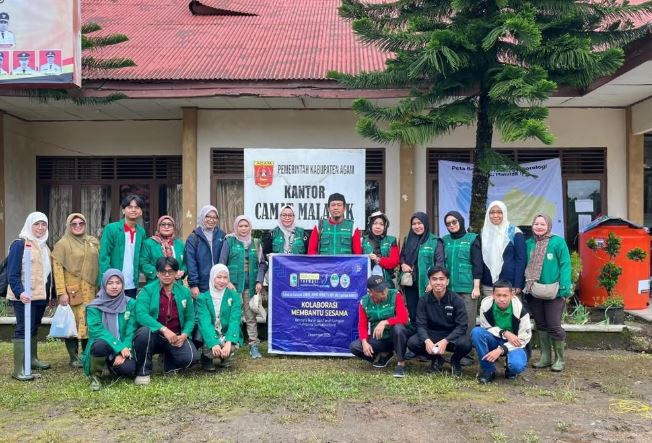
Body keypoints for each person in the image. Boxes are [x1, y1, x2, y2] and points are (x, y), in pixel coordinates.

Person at [133, 257, 199, 385]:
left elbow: (190, 318)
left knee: (191, 358)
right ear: (158, 273)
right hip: (155, 335)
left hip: (175, 336)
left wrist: (184, 334)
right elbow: (141, 315)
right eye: (163, 271)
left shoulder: (184, 292)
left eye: (171, 271)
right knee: (143, 333)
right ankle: (143, 371)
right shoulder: (147, 290)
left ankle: (167, 364)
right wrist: (163, 329)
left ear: (176, 273)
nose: (167, 275)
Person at [6, 212, 53, 380]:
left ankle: (31, 359)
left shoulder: (44, 247)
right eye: (36, 224)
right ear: (29, 225)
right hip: (24, 296)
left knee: (33, 326)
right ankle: (18, 369)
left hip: (40, 296)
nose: (40, 228)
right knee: (23, 328)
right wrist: (20, 292)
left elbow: (47, 274)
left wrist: (51, 295)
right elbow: (12, 274)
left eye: (44, 224)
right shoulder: (19, 244)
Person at [524, 213, 571, 372]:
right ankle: (545, 357)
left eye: (542, 224)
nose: (539, 227)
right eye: (536, 224)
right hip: (533, 290)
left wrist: (564, 288)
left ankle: (559, 359)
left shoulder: (558, 242)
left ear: (549, 226)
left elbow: (565, 264)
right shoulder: (529, 243)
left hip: (554, 292)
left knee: (554, 325)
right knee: (541, 325)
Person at [52, 213, 100, 368]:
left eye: (81, 223)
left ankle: (87, 354)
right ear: (69, 226)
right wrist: (61, 292)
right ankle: (73, 357)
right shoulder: (62, 244)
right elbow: (57, 270)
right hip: (72, 291)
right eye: (74, 224)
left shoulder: (92, 241)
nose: (78, 226)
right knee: (72, 322)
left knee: (88, 321)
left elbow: (99, 264)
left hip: (91, 289)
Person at [406, 266, 470, 376]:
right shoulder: (424, 300)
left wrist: (445, 341)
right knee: (413, 343)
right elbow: (420, 325)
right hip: (432, 334)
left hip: (451, 335)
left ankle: (455, 361)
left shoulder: (456, 300)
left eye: (441, 279)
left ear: (447, 281)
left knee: (466, 343)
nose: (438, 282)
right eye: (434, 279)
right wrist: (427, 340)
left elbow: (462, 326)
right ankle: (436, 359)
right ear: (430, 281)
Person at [219, 215, 267, 359]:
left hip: (250, 286)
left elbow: (262, 264)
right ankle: (228, 344)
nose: (243, 228)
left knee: (251, 317)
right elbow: (221, 264)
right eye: (240, 226)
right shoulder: (229, 242)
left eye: (246, 226)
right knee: (231, 316)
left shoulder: (256, 243)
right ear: (236, 227)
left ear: (250, 227)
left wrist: (259, 281)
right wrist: (227, 282)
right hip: (232, 287)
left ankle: (254, 345)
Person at [84, 269, 137, 391]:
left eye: (118, 283)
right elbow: (97, 331)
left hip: (123, 346)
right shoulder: (94, 307)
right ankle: (95, 376)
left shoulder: (131, 304)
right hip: (104, 346)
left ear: (123, 284)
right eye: (110, 283)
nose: (114, 286)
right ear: (104, 284)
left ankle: (112, 367)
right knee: (99, 344)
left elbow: (131, 330)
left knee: (128, 370)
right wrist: (119, 347)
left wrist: (125, 349)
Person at [471, 279, 532, 384]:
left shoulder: (521, 310)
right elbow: (486, 327)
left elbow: (524, 339)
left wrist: (502, 349)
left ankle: (510, 368)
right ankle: (488, 369)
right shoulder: (486, 305)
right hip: (494, 339)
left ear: (512, 295)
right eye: (498, 295)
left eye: (505, 295)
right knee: (477, 332)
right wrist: (504, 333)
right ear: (493, 294)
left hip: (516, 344)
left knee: (516, 366)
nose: (501, 299)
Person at [442, 211, 482, 365]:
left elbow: (477, 264)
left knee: (467, 321)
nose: (451, 225)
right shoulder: (444, 240)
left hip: (467, 288)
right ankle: (454, 351)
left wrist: (476, 286)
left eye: (454, 222)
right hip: (449, 288)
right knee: (451, 320)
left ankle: (468, 354)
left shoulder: (472, 238)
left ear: (461, 221)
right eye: (448, 223)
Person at [349, 275, 409, 378]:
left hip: (396, 337)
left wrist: (385, 322)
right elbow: (362, 325)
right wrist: (364, 342)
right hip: (379, 339)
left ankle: (401, 363)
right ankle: (383, 355)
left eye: (385, 288)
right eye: (379, 291)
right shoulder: (364, 302)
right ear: (370, 292)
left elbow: (404, 318)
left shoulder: (395, 295)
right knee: (355, 347)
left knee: (398, 328)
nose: (384, 292)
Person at [195, 264, 243, 371]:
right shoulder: (203, 298)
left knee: (232, 345)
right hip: (211, 332)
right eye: (219, 277)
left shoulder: (234, 296)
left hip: (225, 332)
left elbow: (235, 320)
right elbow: (205, 322)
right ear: (212, 278)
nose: (222, 281)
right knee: (208, 343)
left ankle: (225, 356)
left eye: (225, 277)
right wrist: (213, 343)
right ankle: (206, 358)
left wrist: (229, 341)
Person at [399, 212, 445, 323]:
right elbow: (402, 256)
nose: (417, 226)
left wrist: (433, 282)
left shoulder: (435, 241)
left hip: (427, 284)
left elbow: (439, 263)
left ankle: (428, 333)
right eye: (414, 224)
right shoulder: (407, 239)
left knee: (428, 313)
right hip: (411, 283)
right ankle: (416, 333)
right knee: (413, 312)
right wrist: (403, 264)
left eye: (419, 223)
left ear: (425, 223)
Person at [98, 194, 146, 298]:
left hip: (131, 284)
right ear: (123, 210)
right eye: (130, 207)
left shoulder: (141, 232)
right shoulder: (111, 229)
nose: (133, 210)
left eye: (137, 207)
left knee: (129, 308)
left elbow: (142, 258)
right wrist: (107, 280)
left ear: (141, 212)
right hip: (112, 284)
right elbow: (104, 257)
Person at [480, 201, 526, 298]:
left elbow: (521, 259)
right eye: (492, 212)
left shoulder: (515, 232)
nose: (495, 215)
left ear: (504, 213)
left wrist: (518, 284)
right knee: (490, 308)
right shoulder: (484, 233)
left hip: (510, 285)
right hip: (488, 285)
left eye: (499, 212)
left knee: (512, 308)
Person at [185, 205, 226, 298]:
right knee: (203, 306)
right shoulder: (194, 237)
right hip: (202, 284)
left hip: (220, 282)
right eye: (208, 216)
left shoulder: (221, 235)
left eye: (214, 217)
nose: (211, 220)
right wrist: (194, 285)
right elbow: (191, 263)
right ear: (202, 217)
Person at [140, 215, 186, 284]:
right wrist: (159, 273)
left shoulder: (180, 244)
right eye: (163, 224)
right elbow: (143, 263)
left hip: (176, 284)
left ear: (173, 227)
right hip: (155, 283)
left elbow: (185, 263)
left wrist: (182, 272)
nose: (166, 227)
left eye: (169, 225)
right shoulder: (148, 243)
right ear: (158, 227)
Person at [362, 211, 400, 288]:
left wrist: (378, 259)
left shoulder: (392, 240)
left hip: (387, 282)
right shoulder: (363, 241)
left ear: (385, 226)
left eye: (381, 224)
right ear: (370, 225)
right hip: (367, 282)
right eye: (375, 223)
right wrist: (367, 258)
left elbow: (394, 262)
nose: (378, 227)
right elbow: (359, 263)